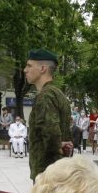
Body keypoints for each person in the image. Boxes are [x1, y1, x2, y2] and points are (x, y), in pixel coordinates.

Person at [24, 48, 73, 180]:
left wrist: (57, 146)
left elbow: (50, 131)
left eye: (29, 65)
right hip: (59, 169)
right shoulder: (59, 94)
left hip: (46, 172)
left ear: (42, 68)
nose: (25, 70)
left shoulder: (45, 96)